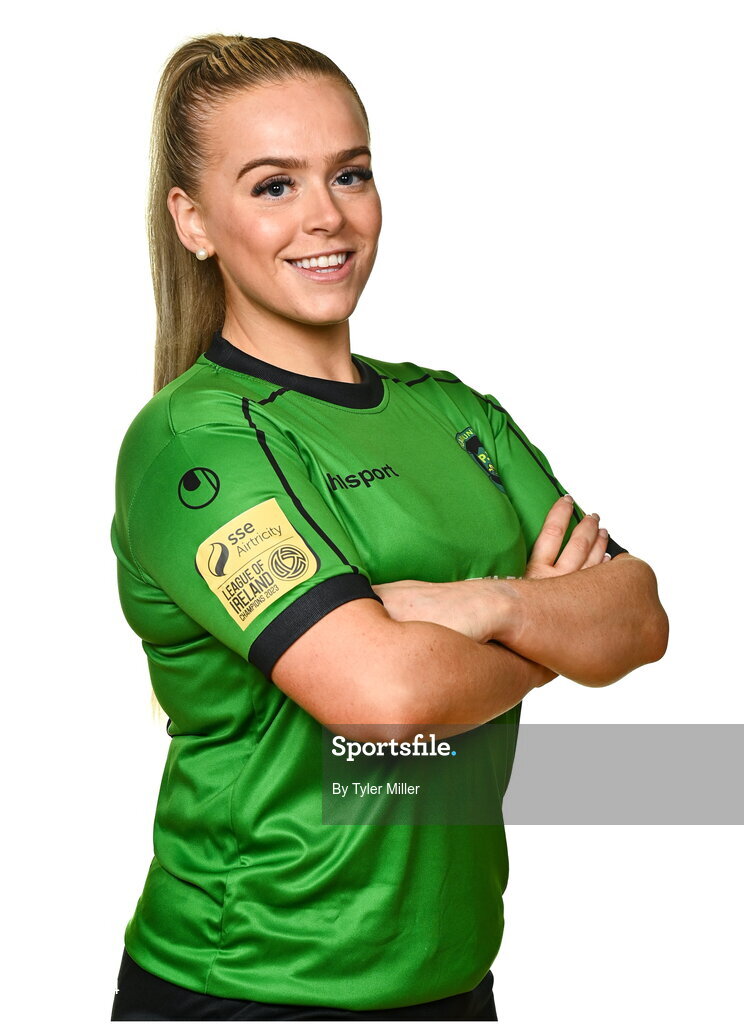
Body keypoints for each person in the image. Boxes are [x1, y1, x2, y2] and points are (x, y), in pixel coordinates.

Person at [109, 33, 669, 1022]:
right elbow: (383, 701)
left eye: (350, 173)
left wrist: (481, 604)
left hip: (449, 980)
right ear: (193, 221)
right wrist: (548, 635)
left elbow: (637, 617)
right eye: (273, 185)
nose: (327, 215)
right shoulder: (193, 447)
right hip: (249, 986)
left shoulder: (456, 413)